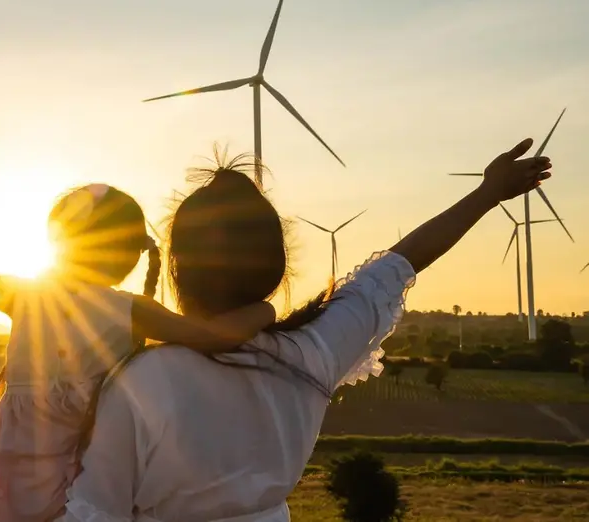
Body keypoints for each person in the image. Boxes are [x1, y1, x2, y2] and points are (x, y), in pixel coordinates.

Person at [65, 139, 552, 522]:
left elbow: (93, 513)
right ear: (275, 267)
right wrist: (488, 194)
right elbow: (400, 263)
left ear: (178, 267)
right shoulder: (310, 353)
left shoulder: (141, 383)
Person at [0, 184, 278, 522]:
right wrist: (264, 309)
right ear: (126, 253)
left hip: (18, 467)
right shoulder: (129, 310)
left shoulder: (26, 295)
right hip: (86, 469)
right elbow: (211, 336)